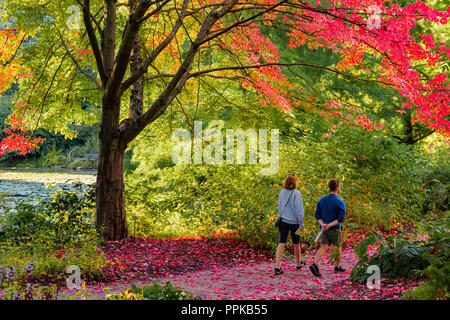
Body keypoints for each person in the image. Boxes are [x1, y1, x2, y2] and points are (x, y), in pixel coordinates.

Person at [309, 179, 346, 277]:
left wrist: (323, 224)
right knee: (337, 246)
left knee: (323, 246)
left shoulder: (322, 200)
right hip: (335, 228)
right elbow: (340, 218)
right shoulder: (340, 201)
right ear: (337, 188)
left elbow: (317, 214)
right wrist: (330, 225)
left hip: (324, 228)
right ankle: (336, 266)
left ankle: (315, 263)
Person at [274, 174, 305, 275]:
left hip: (282, 221)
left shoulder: (282, 192)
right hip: (294, 223)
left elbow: (279, 206)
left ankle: (277, 266)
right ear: (295, 182)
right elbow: (299, 210)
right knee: (296, 244)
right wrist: (301, 223)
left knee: (281, 243)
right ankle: (298, 264)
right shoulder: (297, 193)